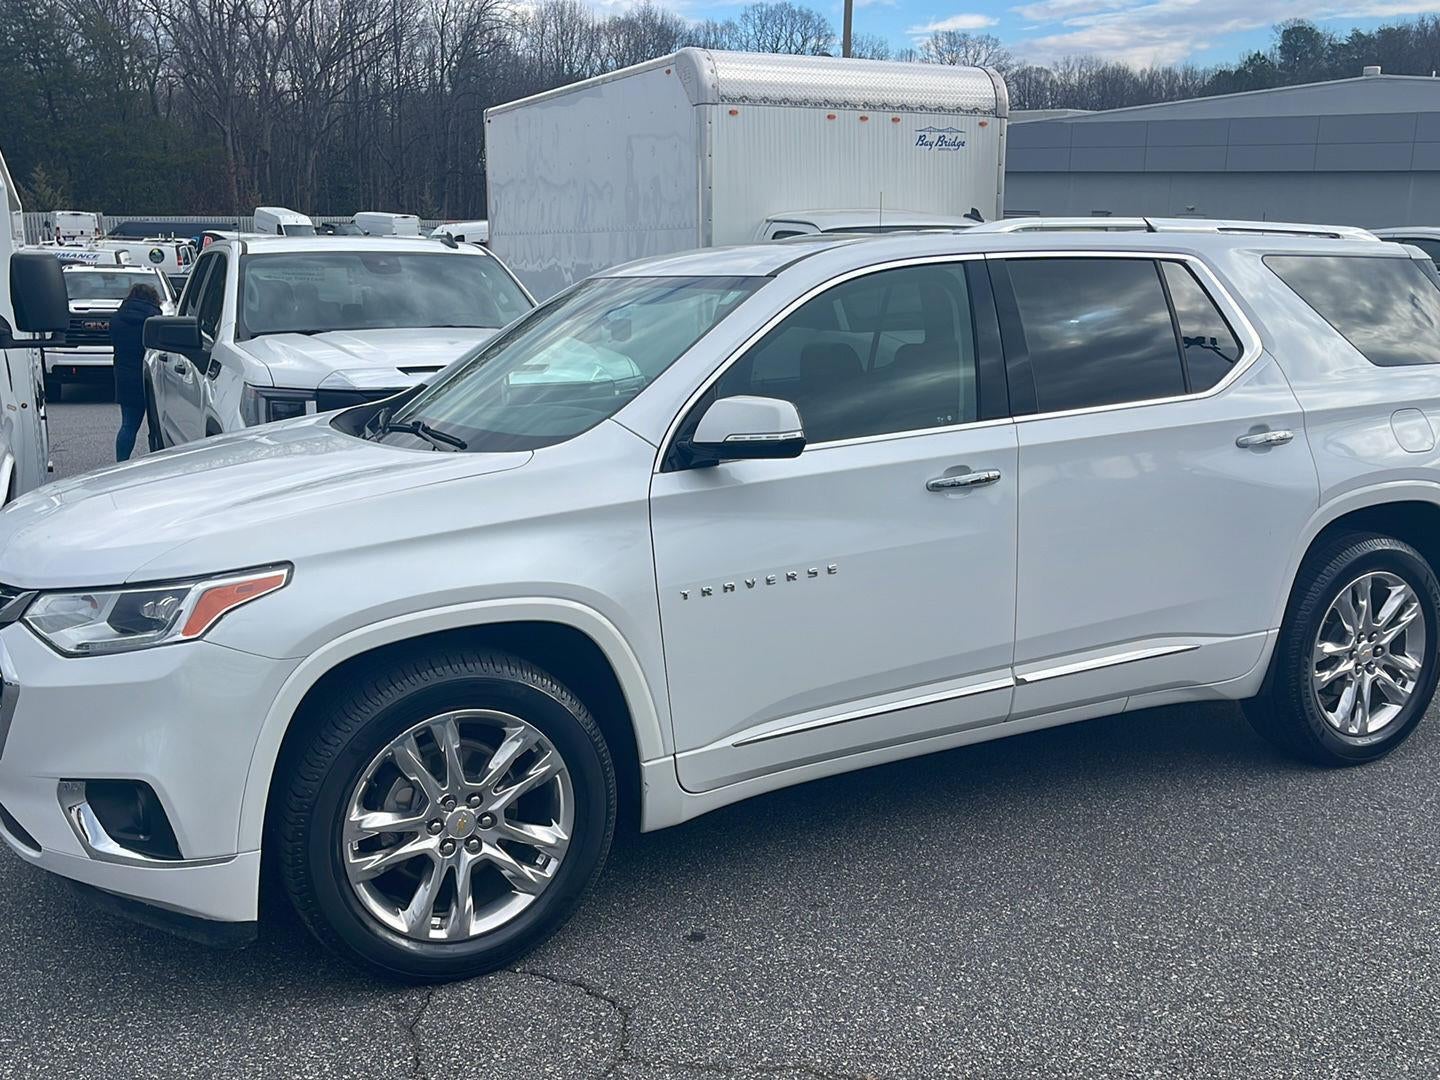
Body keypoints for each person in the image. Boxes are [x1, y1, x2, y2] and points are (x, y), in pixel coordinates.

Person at [108, 283, 161, 461]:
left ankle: (121, 462)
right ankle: (157, 461)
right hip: (152, 377)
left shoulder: (117, 319)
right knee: (156, 427)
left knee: (128, 426)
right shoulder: (155, 319)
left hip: (125, 377)